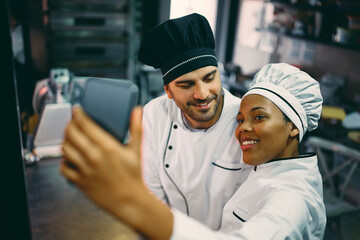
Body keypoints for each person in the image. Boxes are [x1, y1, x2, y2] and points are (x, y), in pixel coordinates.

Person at [61, 63, 326, 239]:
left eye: (258, 118)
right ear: (169, 91)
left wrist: (133, 202)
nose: (243, 129)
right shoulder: (268, 169)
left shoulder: (293, 199)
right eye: (240, 119)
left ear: (293, 127)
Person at [138, 13, 252, 229]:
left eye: (210, 78)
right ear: (168, 91)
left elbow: (247, 211)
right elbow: (152, 189)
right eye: (186, 85)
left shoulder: (246, 121)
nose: (202, 93)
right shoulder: (154, 113)